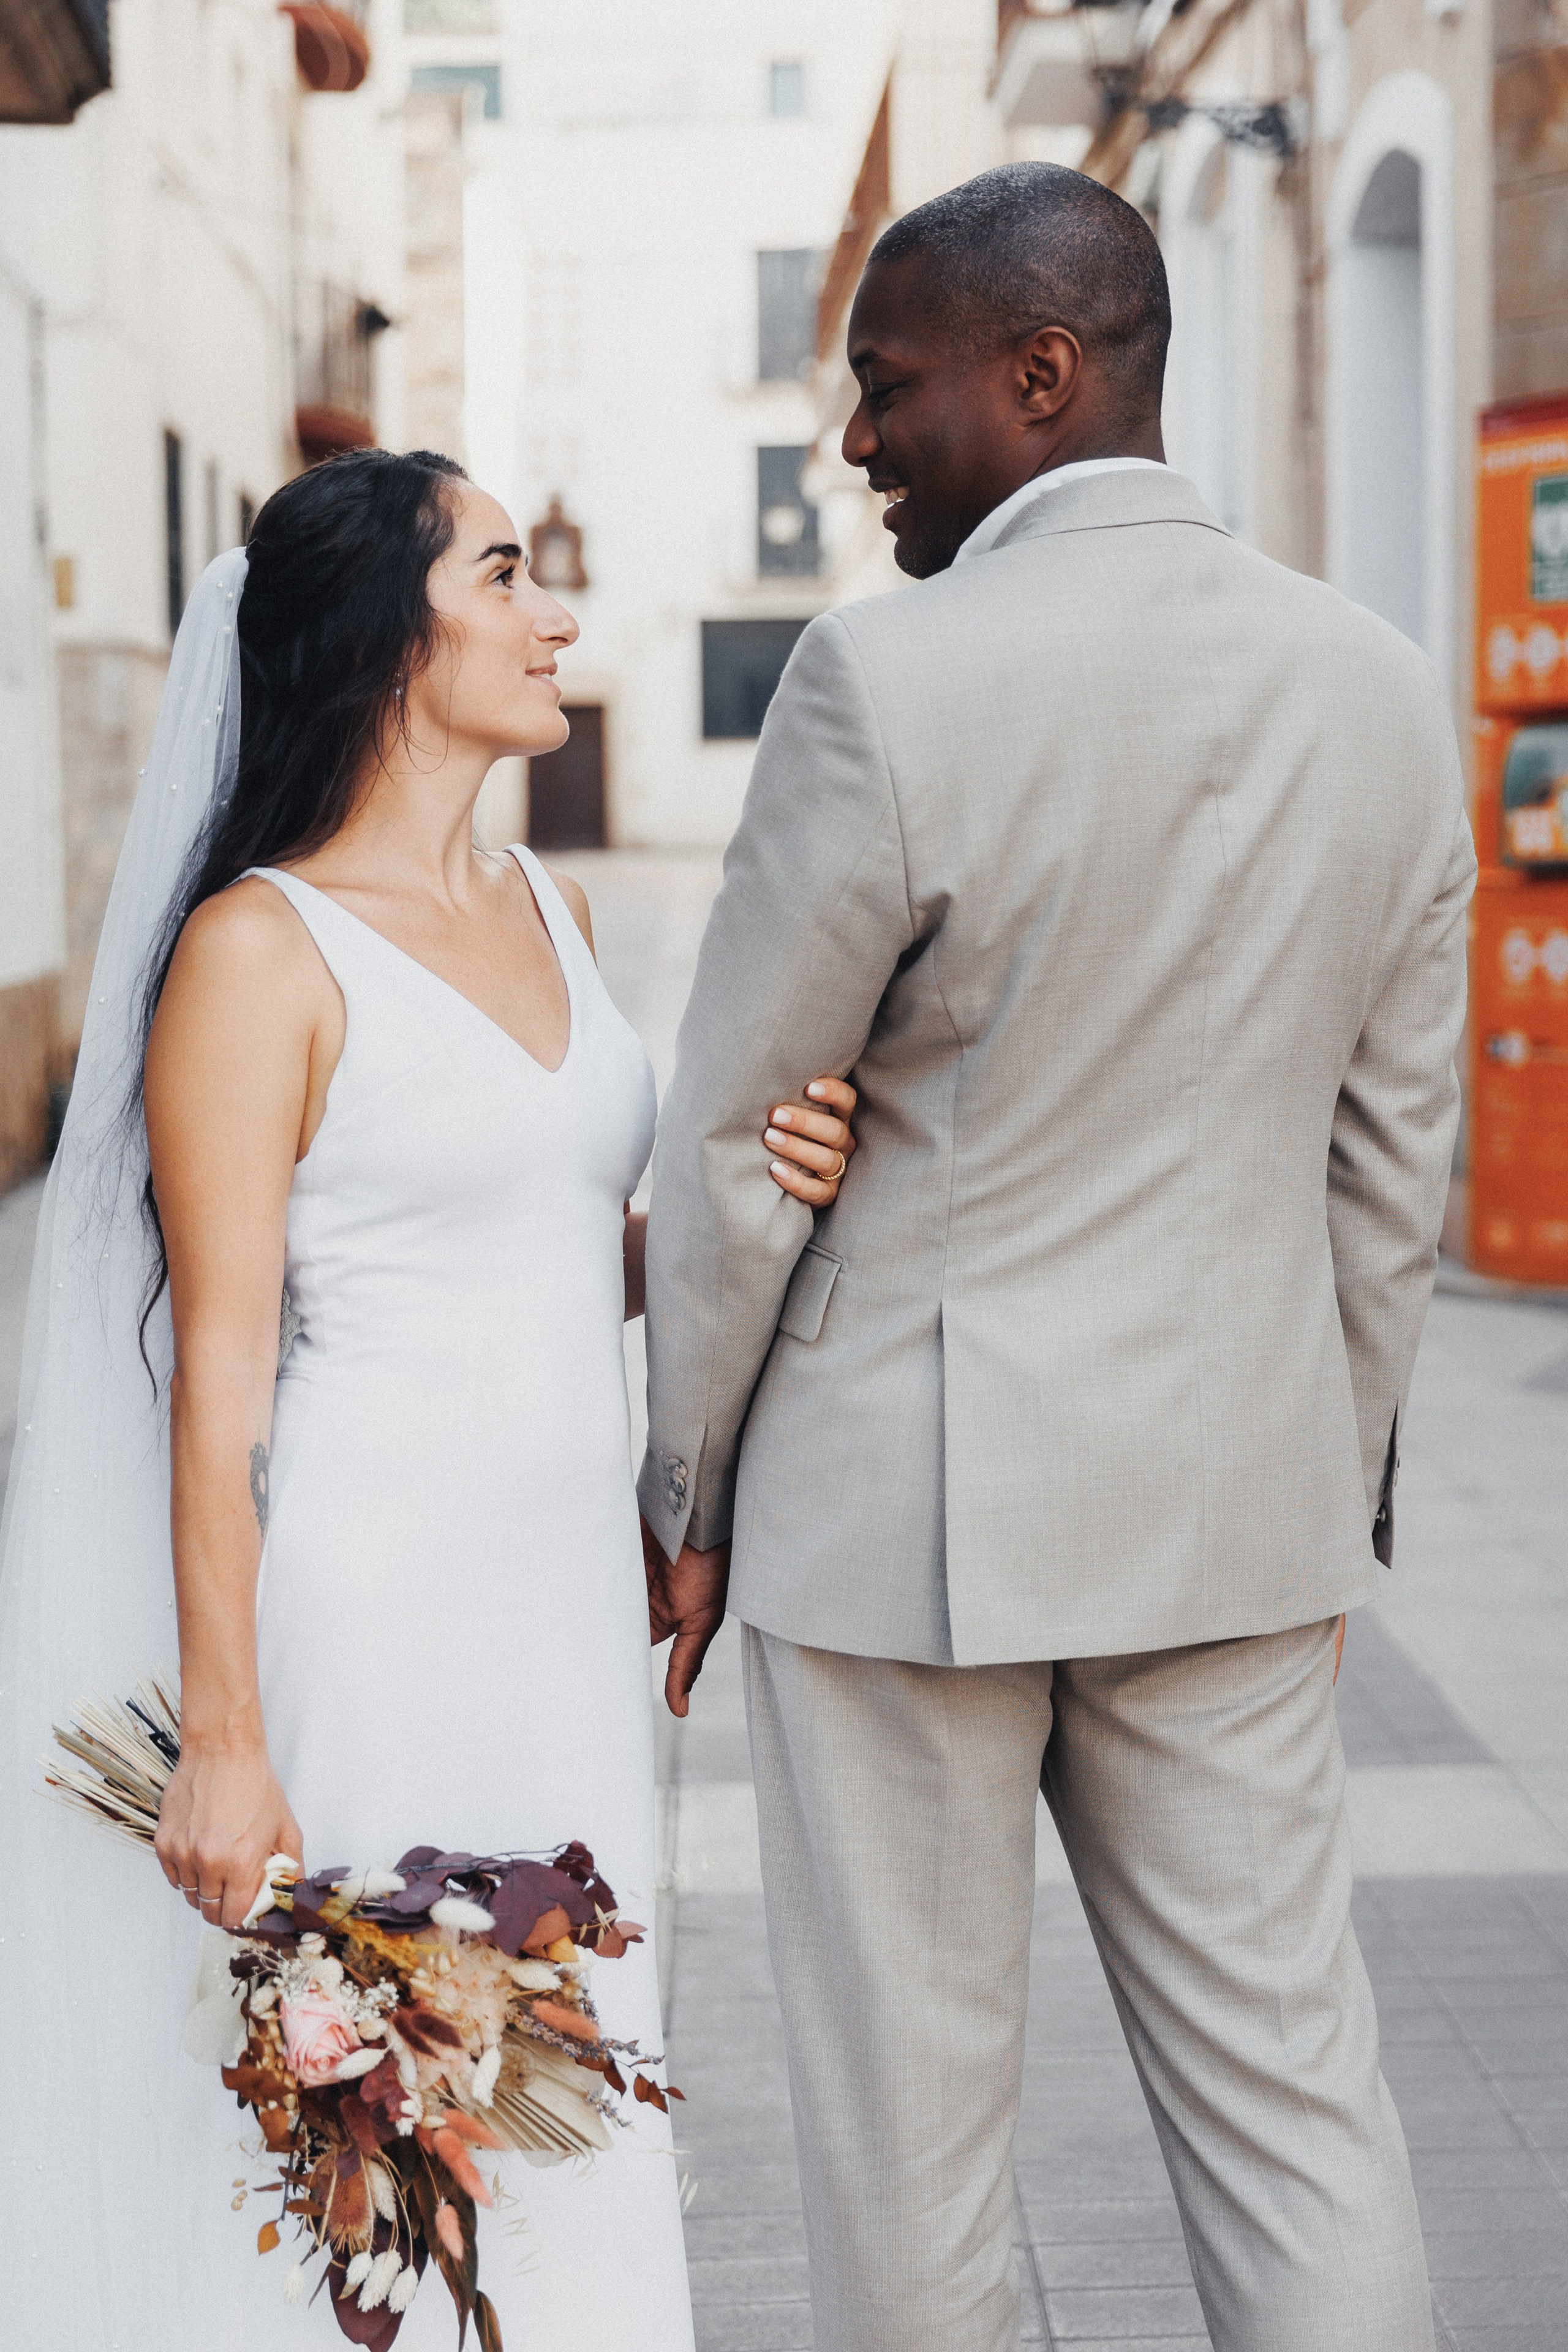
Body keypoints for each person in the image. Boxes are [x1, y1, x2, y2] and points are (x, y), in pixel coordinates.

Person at [637, 163, 1473, 2352]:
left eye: (889, 388)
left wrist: (686, 1497)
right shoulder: (1383, 690)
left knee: (913, 2151)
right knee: (1300, 2111)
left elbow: (740, 1132)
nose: (857, 441)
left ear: (1044, 372)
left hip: (896, 1524)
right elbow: (1394, 1172)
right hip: (1231, 1516)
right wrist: (1333, 1502)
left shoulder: (884, 681)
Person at [0, 447, 858, 2350]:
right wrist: (224, 1733)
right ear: (392, 639)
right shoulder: (255, 955)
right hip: (375, 1620)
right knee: (390, 2135)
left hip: (555, 1604)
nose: (558, 616)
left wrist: (751, 1199)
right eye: (506, 573)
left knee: (562, 2088)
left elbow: (556, 1243)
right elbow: (218, 1368)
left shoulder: (544, 903)